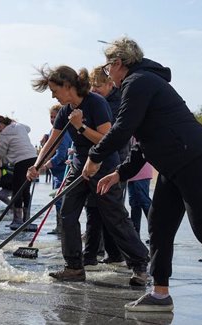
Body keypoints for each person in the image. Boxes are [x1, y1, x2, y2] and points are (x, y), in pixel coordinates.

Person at [85, 37, 202, 324]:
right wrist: (119, 173)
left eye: (108, 65)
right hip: (174, 163)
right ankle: (160, 294)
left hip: (192, 157)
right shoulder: (139, 83)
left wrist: (95, 155)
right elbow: (140, 142)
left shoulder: (139, 82)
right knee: (159, 224)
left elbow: (123, 129)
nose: (107, 71)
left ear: (119, 63)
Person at [28, 65, 149, 284]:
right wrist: (37, 164)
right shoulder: (65, 110)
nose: (53, 95)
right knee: (67, 213)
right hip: (78, 166)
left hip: (103, 165)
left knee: (114, 216)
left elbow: (107, 139)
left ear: (68, 86)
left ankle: (140, 264)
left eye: (55, 90)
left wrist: (80, 126)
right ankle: (74, 266)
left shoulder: (96, 103)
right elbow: (52, 142)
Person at [83, 65, 126, 266]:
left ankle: (118, 253)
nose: (94, 90)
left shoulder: (118, 101)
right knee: (94, 208)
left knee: (111, 209)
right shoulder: (98, 100)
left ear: (110, 84)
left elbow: (111, 134)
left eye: (98, 86)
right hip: (96, 157)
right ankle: (94, 253)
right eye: (92, 86)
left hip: (115, 159)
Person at [0, 116, 37, 230]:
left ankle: (17, 220)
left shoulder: (4, 134)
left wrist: (4, 160)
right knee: (26, 188)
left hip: (21, 160)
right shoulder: (20, 126)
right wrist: (15, 123)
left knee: (17, 189)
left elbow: (2, 152)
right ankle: (27, 220)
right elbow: (29, 128)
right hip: (33, 157)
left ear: (1, 124)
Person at [44, 105, 72, 235]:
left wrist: (51, 163)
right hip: (56, 172)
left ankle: (63, 228)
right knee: (57, 199)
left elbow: (62, 153)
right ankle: (59, 226)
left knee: (61, 200)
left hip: (63, 170)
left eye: (55, 117)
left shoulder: (65, 131)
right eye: (51, 117)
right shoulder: (53, 131)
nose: (53, 119)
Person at [127, 138, 153, 240]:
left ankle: (157, 232)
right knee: (134, 204)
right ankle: (135, 235)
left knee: (145, 203)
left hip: (142, 172)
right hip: (130, 173)